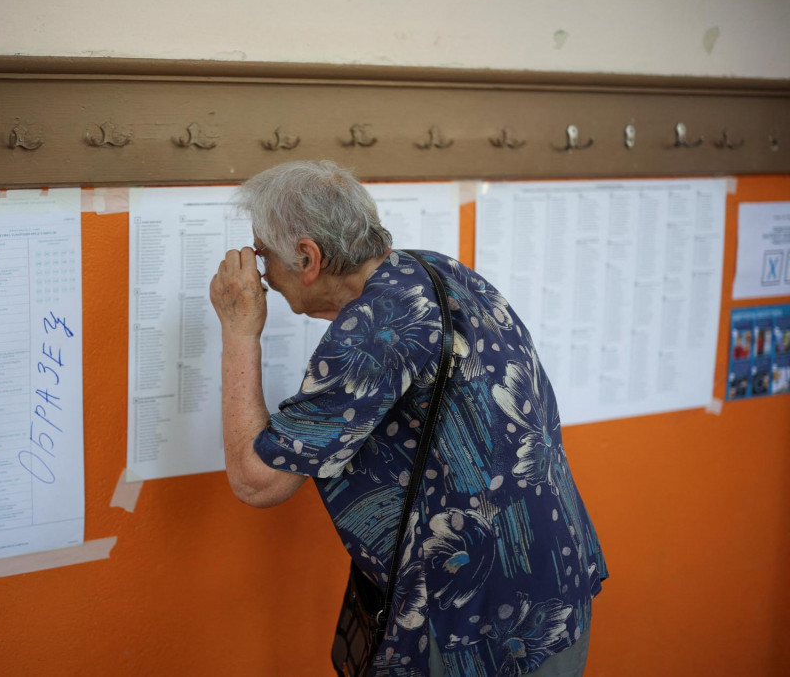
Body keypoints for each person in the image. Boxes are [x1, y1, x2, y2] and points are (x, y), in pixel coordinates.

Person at [209, 161, 608, 677]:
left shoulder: (374, 333)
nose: (261, 272)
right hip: (553, 579)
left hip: (477, 624)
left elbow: (255, 480)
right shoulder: (437, 270)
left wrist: (239, 331)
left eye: (263, 254)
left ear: (308, 257)